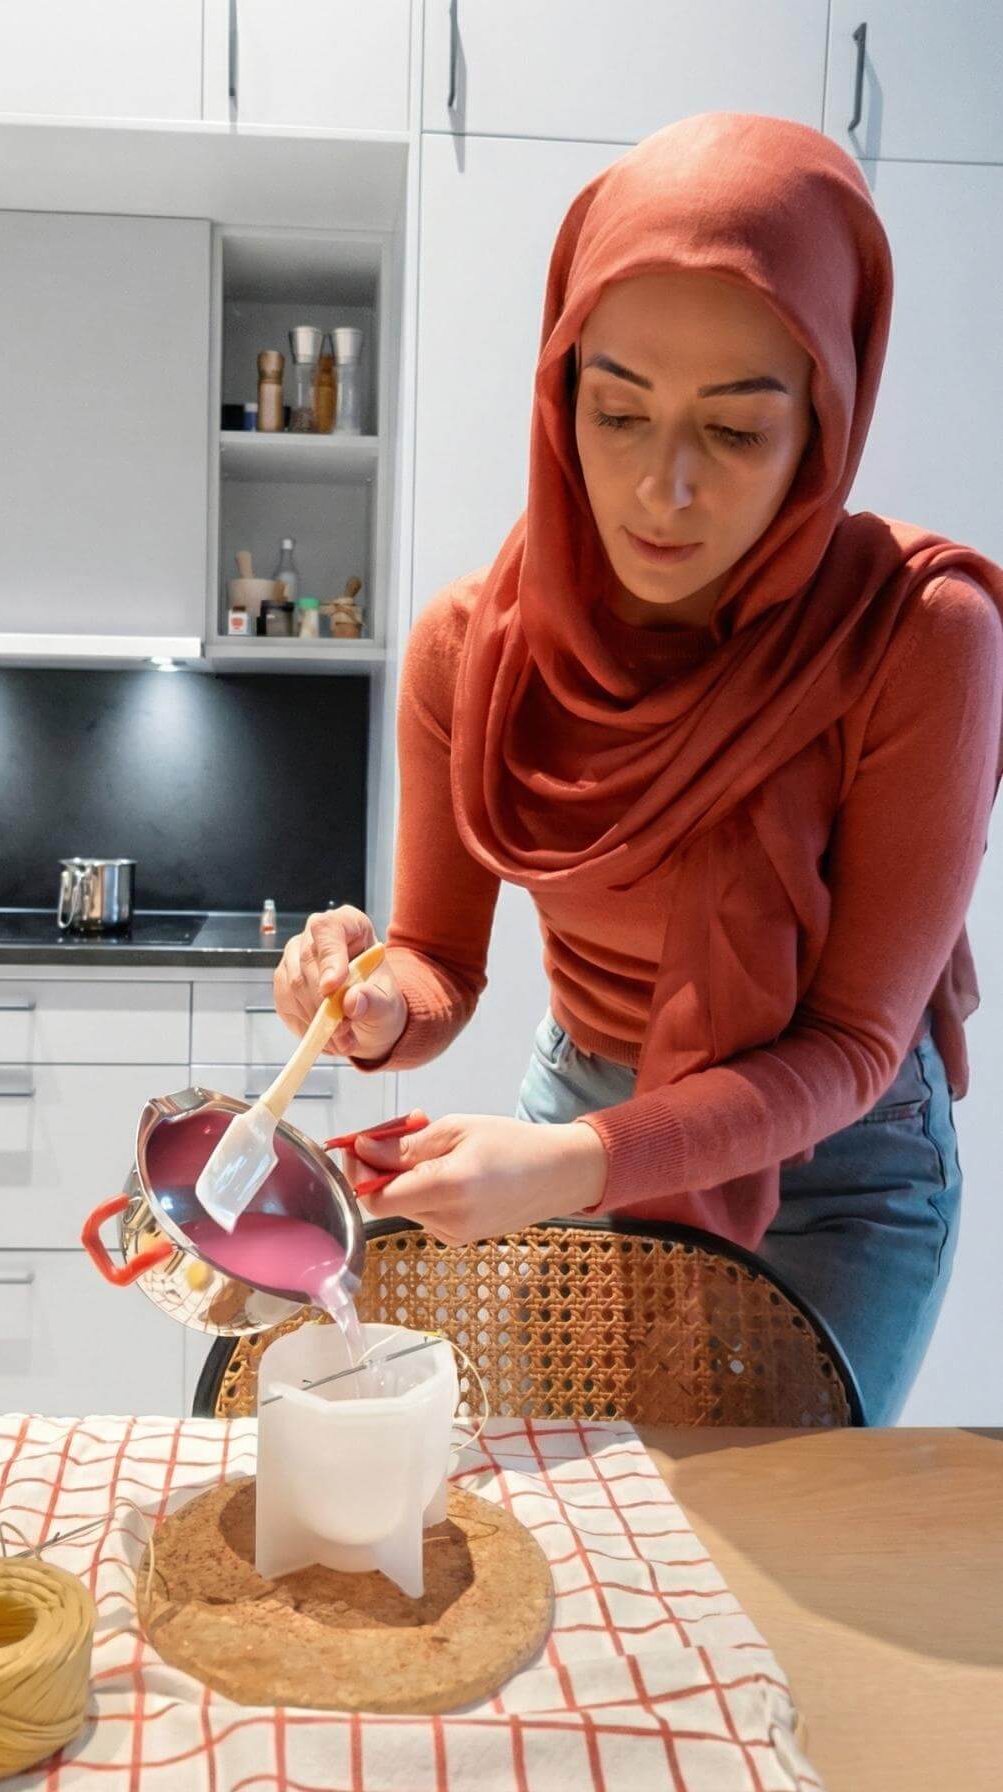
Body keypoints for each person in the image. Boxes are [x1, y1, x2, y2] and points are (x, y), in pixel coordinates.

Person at [272, 112, 1003, 1426]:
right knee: (601, 1527)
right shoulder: (469, 648)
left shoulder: (918, 637)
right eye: (616, 413)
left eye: (731, 433)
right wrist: (373, 1002)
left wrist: (573, 1165)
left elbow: (844, 1047)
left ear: (823, 424)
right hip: (577, 1101)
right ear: (562, 397)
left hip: (842, 1157)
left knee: (774, 1549)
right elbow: (440, 957)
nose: (659, 489)